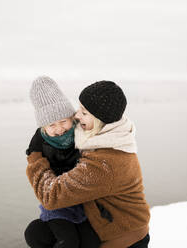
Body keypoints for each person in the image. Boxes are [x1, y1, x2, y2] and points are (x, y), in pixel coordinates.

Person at [26, 80, 150, 248]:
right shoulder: (109, 137)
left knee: (42, 234)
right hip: (108, 223)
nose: (77, 116)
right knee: (37, 232)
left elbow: (51, 196)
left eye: (84, 113)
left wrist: (35, 156)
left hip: (123, 240)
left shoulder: (105, 161)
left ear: (98, 119)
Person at [24, 76, 101, 248]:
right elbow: (37, 172)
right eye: (52, 125)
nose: (59, 129)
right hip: (57, 204)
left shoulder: (82, 134)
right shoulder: (39, 143)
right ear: (43, 127)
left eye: (63, 122)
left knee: (92, 242)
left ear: (71, 118)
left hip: (82, 201)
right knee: (68, 242)